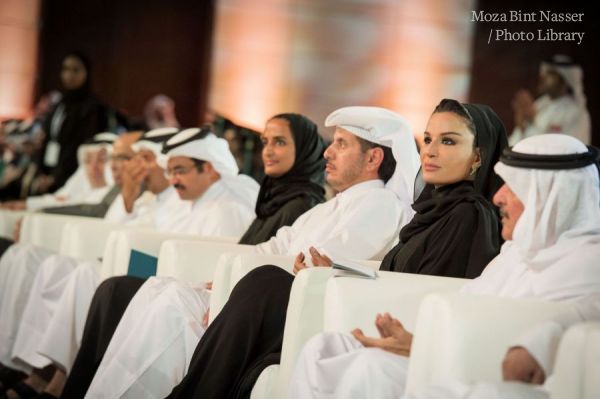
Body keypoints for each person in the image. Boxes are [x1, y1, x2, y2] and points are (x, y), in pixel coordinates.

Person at [61, 107, 418, 399]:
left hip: (289, 305)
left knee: (172, 304)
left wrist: (235, 284)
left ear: (373, 157)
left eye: (341, 144)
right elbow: (276, 245)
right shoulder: (329, 206)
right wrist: (228, 274)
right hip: (258, 291)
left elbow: (318, 262)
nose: (328, 152)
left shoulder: (381, 204)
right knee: (161, 290)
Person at [162, 100, 506, 399]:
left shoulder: (468, 213)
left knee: (265, 282)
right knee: (261, 283)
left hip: (385, 318)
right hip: (362, 302)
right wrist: (335, 270)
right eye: (428, 139)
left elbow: (431, 288)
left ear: (478, 156)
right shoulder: (432, 213)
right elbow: (394, 274)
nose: (429, 150)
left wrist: (336, 274)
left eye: (448, 141)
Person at [289, 134, 600, 399]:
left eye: (513, 187)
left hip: (479, 376)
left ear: (554, 198)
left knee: (373, 367)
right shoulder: (515, 253)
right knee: (325, 347)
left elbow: (554, 336)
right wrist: (411, 338)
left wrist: (422, 345)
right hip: (437, 352)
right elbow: (466, 303)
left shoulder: (586, 263)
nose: (498, 196)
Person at [34, 51, 114, 194]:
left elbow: (84, 146)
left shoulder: (93, 107)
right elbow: (49, 138)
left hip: (73, 177)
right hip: (49, 172)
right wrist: (43, 173)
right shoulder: (60, 104)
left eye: (76, 70)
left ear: (86, 73)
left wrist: (57, 177)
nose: (69, 75)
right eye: (66, 69)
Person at [510, 54, 591, 146]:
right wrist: (520, 124)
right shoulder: (539, 104)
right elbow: (514, 144)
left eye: (550, 74)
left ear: (564, 82)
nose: (543, 77)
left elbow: (565, 151)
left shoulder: (576, 113)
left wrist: (533, 121)